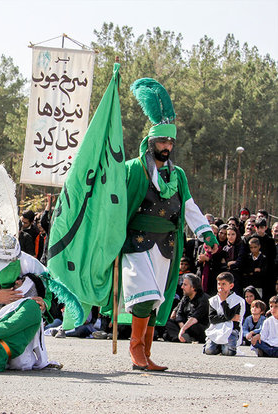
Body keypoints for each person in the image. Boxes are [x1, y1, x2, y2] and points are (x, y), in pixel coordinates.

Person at [118, 79, 218, 371]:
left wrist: (207, 234)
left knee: (156, 301)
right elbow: (115, 203)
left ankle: (146, 353)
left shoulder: (179, 175)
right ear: (151, 142)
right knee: (144, 293)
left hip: (166, 245)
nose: (167, 146)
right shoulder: (134, 169)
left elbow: (188, 206)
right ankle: (136, 349)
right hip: (136, 242)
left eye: (171, 142)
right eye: (163, 141)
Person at [204, 272, 245, 356]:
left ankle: (225, 346)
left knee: (228, 352)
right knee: (209, 351)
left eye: (223, 284)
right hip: (216, 329)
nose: (220, 287)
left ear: (231, 286)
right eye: (219, 284)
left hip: (231, 330)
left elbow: (230, 316)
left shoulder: (237, 300)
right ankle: (218, 345)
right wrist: (229, 318)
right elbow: (212, 318)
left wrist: (223, 302)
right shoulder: (213, 300)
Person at [163, 274, 209, 343]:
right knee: (168, 322)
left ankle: (181, 337)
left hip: (198, 326)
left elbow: (195, 318)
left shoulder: (204, 299)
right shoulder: (186, 297)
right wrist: (182, 326)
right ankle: (182, 337)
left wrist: (183, 328)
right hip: (185, 325)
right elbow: (179, 313)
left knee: (192, 326)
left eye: (185, 285)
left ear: (193, 287)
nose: (182, 287)